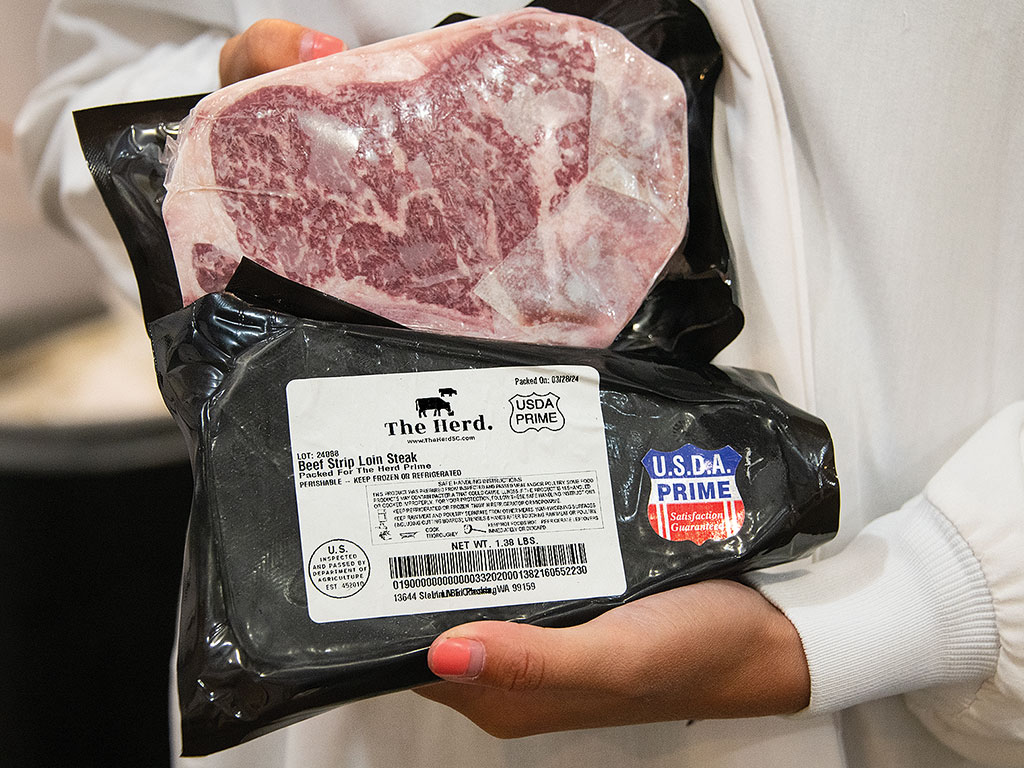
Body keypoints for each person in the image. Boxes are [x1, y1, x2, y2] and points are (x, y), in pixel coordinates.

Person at [14, 1, 1024, 766]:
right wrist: (239, 143)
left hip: (939, 672)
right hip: (390, 655)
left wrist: (932, 600)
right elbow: (104, 62)